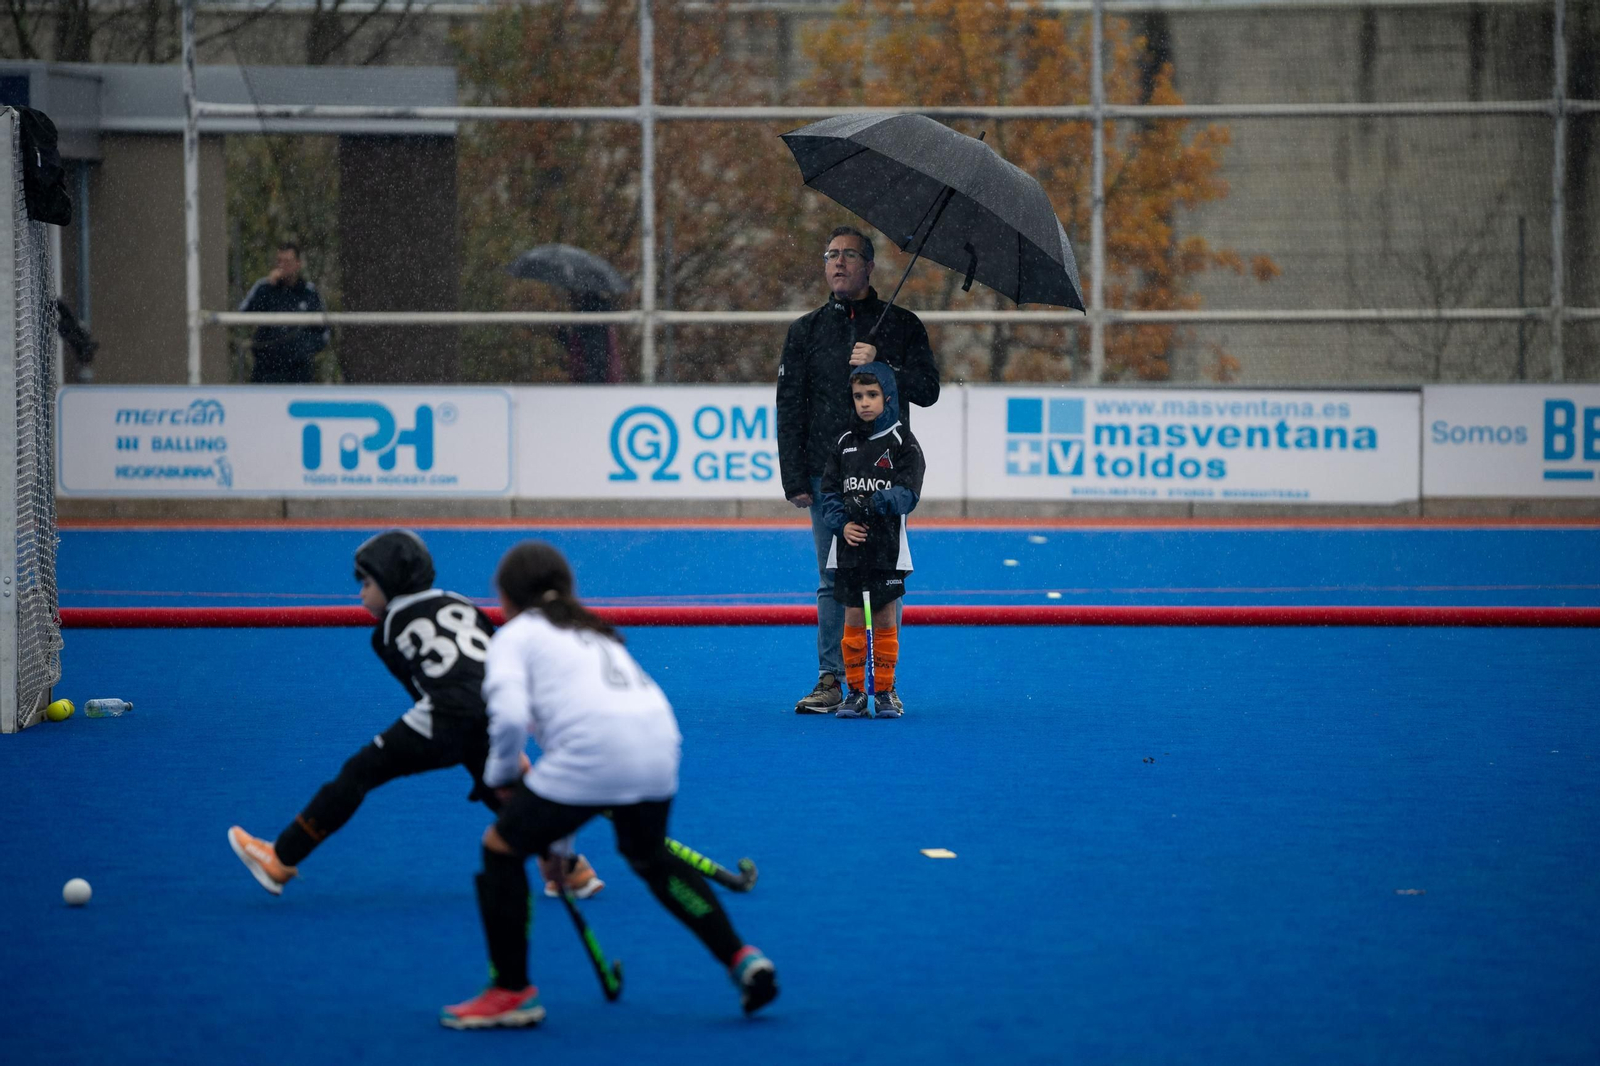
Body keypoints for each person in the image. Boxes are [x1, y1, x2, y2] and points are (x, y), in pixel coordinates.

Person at [440, 540, 777, 1029]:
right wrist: (558, 845)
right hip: (659, 746)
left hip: (594, 754)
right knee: (649, 856)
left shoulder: (514, 637)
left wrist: (501, 782)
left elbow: (511, 720)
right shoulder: (592, 630)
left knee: (500, 848)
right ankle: (741, 958)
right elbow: (573, 766)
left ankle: (512, 992)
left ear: (507, 597)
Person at [227, 530, 603, 901]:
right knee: (497, 788)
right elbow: (495, 653)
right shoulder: (459, 601)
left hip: (448, 712)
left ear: (391, 581)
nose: (361, 593)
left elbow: (425, 691)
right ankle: (571, 869)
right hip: (494, 705)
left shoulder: (388, 629)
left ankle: (281, 858)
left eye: (368, 582)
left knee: (360, 772)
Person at [777, 226, 940, 715]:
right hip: (829, 481)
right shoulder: (805, 331)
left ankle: (884, 684)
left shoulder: (903, 325)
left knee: (887, 579)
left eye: (849, 255)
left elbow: (929, 390)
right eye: (831, 254)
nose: (838, 263)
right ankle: (832, 680)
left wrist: (883, 361)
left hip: (887, 481)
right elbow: (789, 407)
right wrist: (794, 477)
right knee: (833, 580)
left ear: (870, 266)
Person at [818, 363, 925, 719]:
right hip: (849, 549)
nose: (865, 403)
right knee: (851, 614)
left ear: (889, 397)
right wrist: (842, 524)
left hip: (887, 549)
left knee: (883, 615)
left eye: (873, 395)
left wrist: (874, 503)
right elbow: (829, 492)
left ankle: (885, 690)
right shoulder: (844, 443)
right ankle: (855, 692)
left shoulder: (903, 442)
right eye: (859, 396)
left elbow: (909, 493)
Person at [237, 242, 330, 384]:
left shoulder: (309, 293)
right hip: (266, 370)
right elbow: (243, 314)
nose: (282, 266)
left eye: (287, 261)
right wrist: (269, 287)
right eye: (279, 261)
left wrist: (303, 350)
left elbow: (323, 331)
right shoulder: (264, 288)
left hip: (299, 372)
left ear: (298, 264)